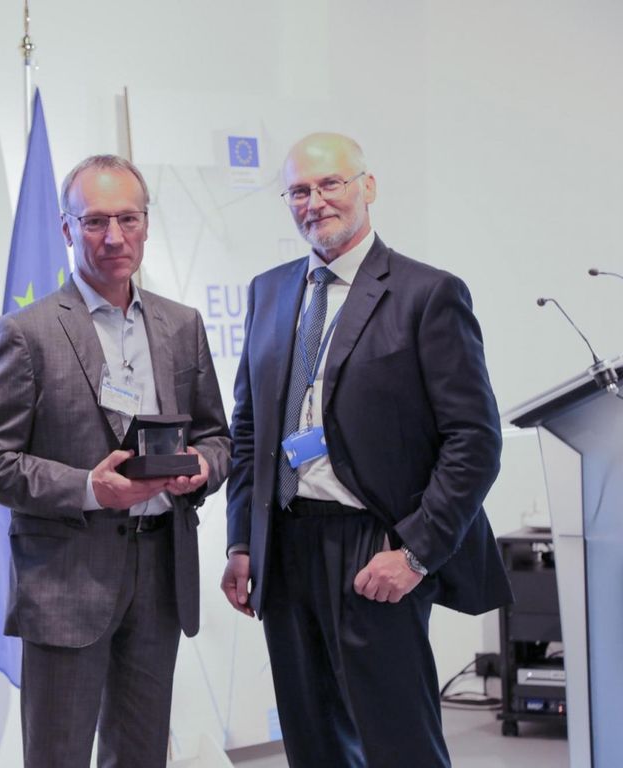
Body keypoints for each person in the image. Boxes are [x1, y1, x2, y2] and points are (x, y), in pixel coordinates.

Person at [220, 133, 513, 767]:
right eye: (299, 190)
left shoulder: (427, 294)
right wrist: (241, 541)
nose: (315, 201)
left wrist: (414, 553)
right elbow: (249, 430)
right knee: (313, 743)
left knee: (398, 744)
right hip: (285, 546)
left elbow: (475, 440)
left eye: (331, 183)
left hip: (375, 544)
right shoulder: (269, 291)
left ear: (368, 187)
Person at [0, 154, 231, 768]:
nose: (114, 236)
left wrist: (202, 468)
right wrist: (89, 488)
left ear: (146, 224)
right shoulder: (26, 332)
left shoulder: (182, 324)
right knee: (58, 756)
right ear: (67, 229)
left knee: (141, 755)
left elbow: (217, 438)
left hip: (161, 570)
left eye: (127, 219)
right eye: (94, 221)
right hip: (67, 578)